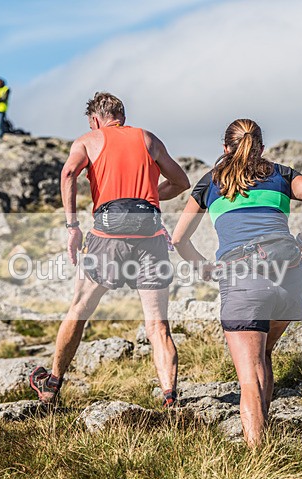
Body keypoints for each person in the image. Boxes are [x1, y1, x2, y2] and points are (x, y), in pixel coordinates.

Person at [171, 118, 302, 447]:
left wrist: (202, 266)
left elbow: (178, 239)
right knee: (264, 353)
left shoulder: (209, 182)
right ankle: (267, 425)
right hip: (289, 277)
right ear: (261, 147)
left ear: (225, 148)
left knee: (248, 377)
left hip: (243, 277)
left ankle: (258, 458)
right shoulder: (280, 174)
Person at [28, 92, 190, 407]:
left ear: (95, 119)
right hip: (150, 234)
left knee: (79, 309)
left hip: (107, 235)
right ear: (122, 117)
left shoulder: (88, 140)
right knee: (157, 323)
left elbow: (68, 174)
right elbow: (181, 182)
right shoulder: (147, 138)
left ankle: (52, 387)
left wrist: (72, 227)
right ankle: (170, 400)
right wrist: (147, 200)